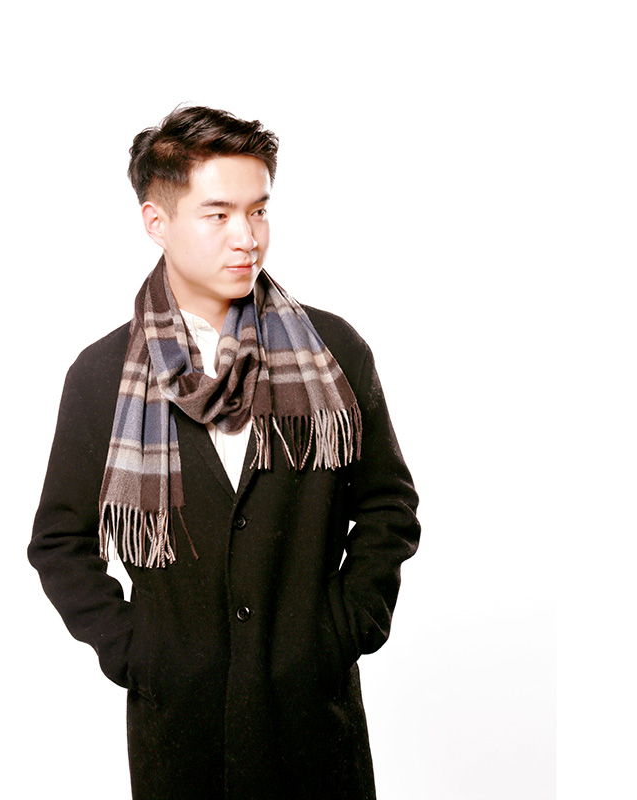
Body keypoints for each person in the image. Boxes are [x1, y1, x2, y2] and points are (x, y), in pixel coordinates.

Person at [28, 105, 421, 800]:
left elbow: (389, 507)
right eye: (219, 215)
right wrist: (140, 652)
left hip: (313, 726)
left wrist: (343, 628)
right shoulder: (101, 375)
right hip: (182, 736)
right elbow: (60, 543)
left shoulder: (333, 352)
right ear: (156, 222)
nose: (248, 237)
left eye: (259, 211)